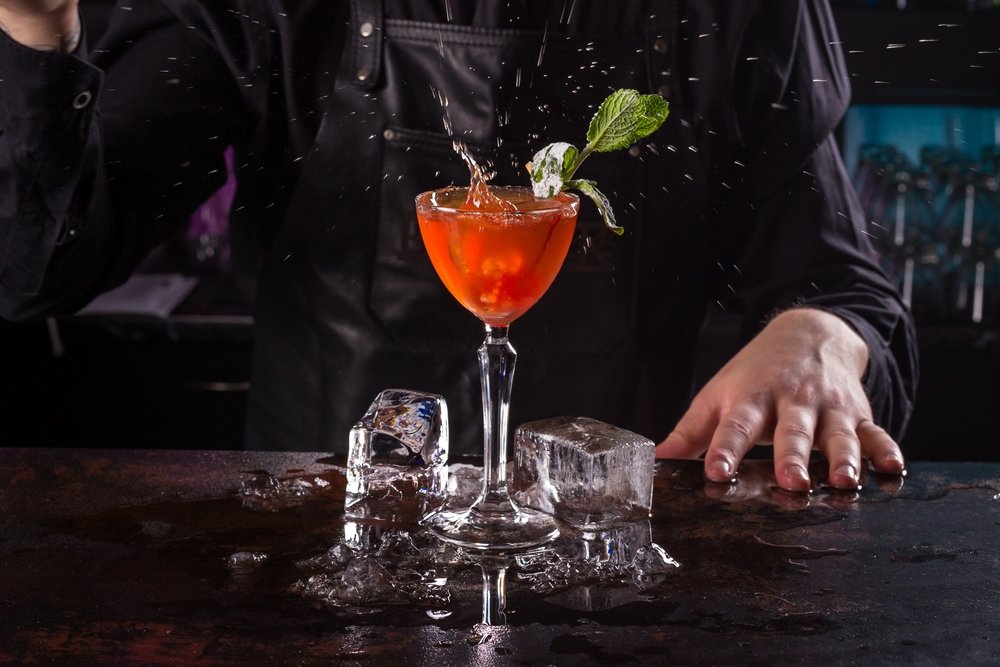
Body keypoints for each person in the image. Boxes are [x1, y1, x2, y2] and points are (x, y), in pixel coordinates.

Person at [0, 0, 917, 492]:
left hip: (621, 594)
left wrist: (821, 335)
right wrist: (36, 24)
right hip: (315, 575)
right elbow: (39, 268)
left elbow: (840, 288)